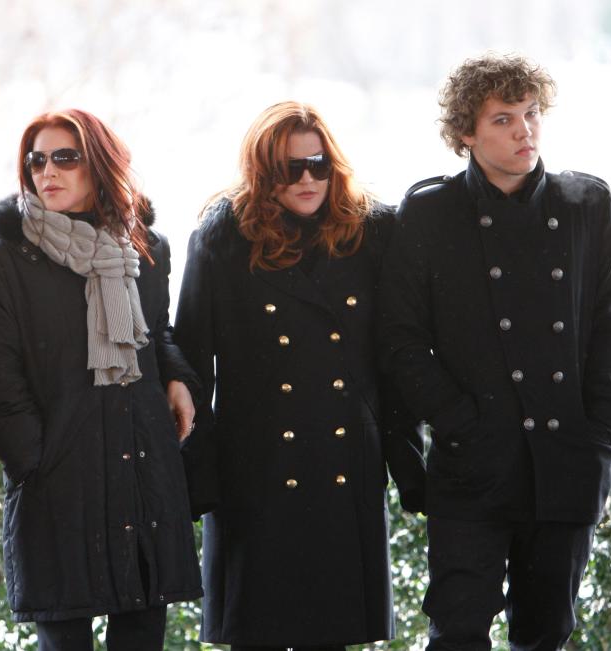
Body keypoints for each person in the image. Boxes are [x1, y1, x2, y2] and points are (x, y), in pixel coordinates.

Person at [378, 53, 611, 649]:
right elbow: (401, 338)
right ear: (465, 133)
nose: (525, 130)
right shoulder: (429, 212)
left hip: (566, 459)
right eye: (503, 119)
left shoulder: (586, 205)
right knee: (458, 633)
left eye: (531, 113)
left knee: (546, 634)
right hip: (472, 466)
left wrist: (602, 431)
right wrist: (458, 421)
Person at [174, 101, 426, 650]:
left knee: (332, 636)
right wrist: (198, 483)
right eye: (292, 168)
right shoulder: (223, 240)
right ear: (263, 174)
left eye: (319, 165)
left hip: (344, 467)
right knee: (256, 636)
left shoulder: (372, 234)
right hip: (256, 473)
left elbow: (395, 358)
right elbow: (192, 362)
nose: (309, 179)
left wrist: (410, 464)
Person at [0, 108, 202, 651]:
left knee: (142, 636)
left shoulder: (145, 250)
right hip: (57, 486)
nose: (48, 170)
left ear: (100, 164)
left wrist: (178, 379)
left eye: (65, 158)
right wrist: (36, 461)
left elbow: (155, 334)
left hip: (141, 473)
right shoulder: (3, 263)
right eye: (37, 159)